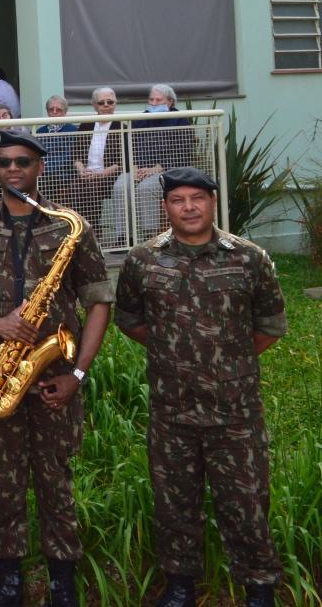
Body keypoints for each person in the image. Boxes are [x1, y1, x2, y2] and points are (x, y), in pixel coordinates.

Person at [0, 133, 113, 607]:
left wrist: (78, 375)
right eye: (5, 162)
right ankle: (8, 580)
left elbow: (99, 303)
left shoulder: (70, 226)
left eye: (24, 162)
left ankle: (63, 582)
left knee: (57, 478)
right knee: (4, 479)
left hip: (56, 375)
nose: (13, 169)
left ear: (39, 168)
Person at [113, 168, 286, 607]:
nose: (188, 208)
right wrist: (176, 355)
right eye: (178, 200)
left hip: (235, 413)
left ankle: (259, 589)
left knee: (246, 504)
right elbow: (130, 319)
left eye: (197, 198)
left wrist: (228, 361)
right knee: (174, 505)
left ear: (213, 202)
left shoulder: (248, 258)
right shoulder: (143, 260)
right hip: (172, 411)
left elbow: (270, 324)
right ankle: (180, 588)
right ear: (165, 206)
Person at [111, 84, 194, 240]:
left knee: (146, 188)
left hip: (167, 170)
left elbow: (183, 151)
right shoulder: (140, 119)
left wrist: (156, 168)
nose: (154, 103)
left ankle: (151, 236)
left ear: (170, 102)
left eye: (158, 100)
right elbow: (129, 146)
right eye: (151, 100)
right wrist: (134, 167)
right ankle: (123, 236)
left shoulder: (180, 120)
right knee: (121, 186)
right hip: (139, 169)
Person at [72, 87, 124, 232]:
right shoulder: (86, 125)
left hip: (108, 175)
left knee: (91, 189)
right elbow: (76, 155)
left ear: (115, 104)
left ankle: (92, 233)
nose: (106, 105)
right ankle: (77, 231)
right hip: (86, 174)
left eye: (110, 102)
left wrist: (99, 174)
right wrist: (82, 171)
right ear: (95, 105)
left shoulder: (121, 127)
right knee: (73, 190)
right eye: (101, 103)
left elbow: (120, 162)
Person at [34, 96, 81, 209]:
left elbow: (71, 156)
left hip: (65, 175)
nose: (54, 112)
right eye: (51, 109)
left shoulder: (73, 131)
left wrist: (49, 169)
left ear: (65, 112)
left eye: (58, 110)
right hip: (43, 176)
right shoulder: (39, 131)